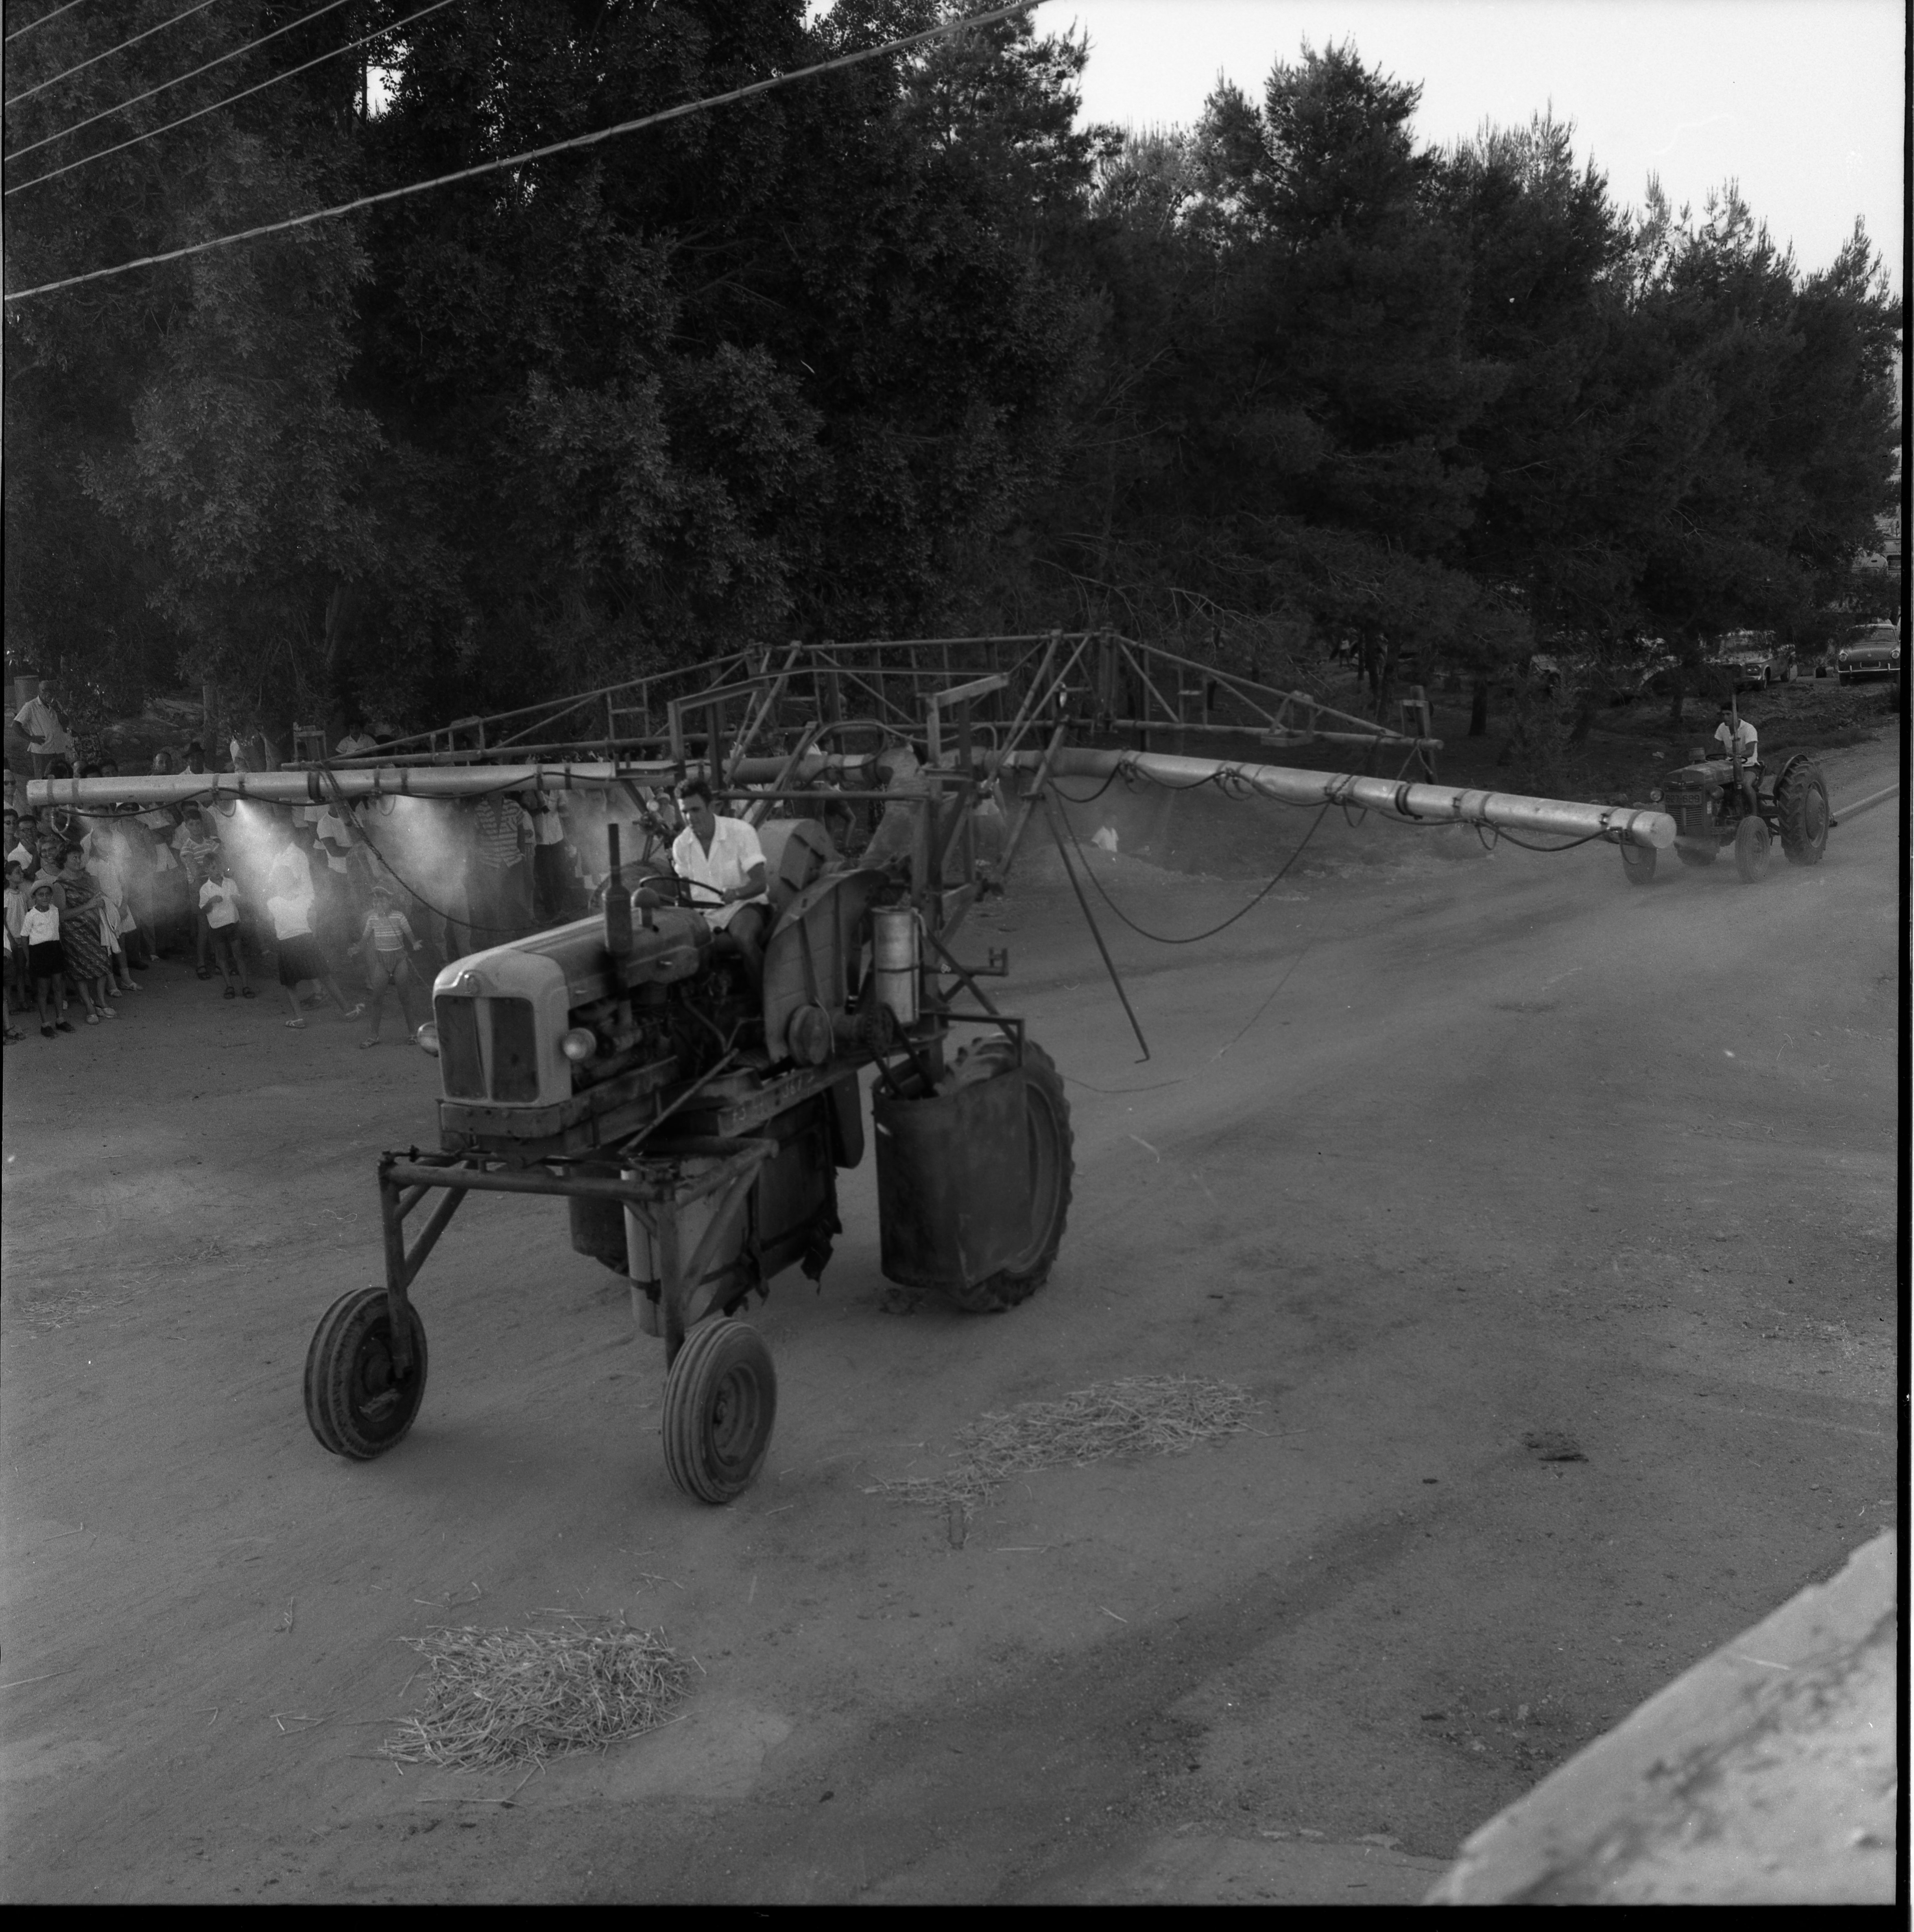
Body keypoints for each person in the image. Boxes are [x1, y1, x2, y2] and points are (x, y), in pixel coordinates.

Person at [668, 776, 770, 994]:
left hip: (744, 905)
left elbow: (760, 884)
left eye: (696, 810)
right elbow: (685, 889)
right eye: (685, 812)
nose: (690, 818)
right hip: (706, 914)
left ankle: (762, 1000)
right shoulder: (681, 845)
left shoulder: (741, 832)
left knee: (744, 938)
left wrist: (737, 893)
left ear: (711, 807)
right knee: (677, 946)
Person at [265, 823, 360, 1028]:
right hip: (302, 934)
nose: (273, 836)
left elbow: (282, 886)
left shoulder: (294, 860)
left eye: (278, 832)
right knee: (322, 974)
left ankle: (302, 1015)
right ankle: (346, 1009)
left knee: (294, 982)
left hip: (291, 937)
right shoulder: (296, 894)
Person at [354, 883, 423, 1046]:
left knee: (404, 997)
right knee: (377, 999)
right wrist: (356, 948)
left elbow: (410, 935)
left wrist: (415, 944)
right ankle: (374, 1036)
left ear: (390, 902)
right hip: (382, 962)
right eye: (376, 902)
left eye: (383, 902)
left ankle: (413, 1033)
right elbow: (364, 940)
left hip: (399, 960)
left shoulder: (399, 917)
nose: (379, 905)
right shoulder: (372, 919)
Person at [57, 843, 115, 1022]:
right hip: (74, 934)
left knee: (102, 965)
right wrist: (88, 906)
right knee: (80, 970)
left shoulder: (91, 878)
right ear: (64, 860)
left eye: (80, 856)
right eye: (74, 857)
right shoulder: (60, 884)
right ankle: (89, 1007)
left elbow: (101, 898)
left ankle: (100, 1001)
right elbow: (62, 915)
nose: (78, 860)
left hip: (96, 929)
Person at [467, 791, 531, 947]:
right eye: (489, 790)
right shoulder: (480, 809)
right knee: (493, 901)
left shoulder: (514, 807)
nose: (492, 793)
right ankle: (497, 939)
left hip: (513, 860)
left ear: (502, 791)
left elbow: (521, 831)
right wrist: (478, 859)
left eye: (496, 789)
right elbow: (475, 835)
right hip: (490, 862)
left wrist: (522, 853)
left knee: (517, 900)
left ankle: (523, 937)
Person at [173, 806, 224, 977]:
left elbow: (218, 864)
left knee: (216, 924)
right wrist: (211, 867)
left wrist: (211, 867)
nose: (196, 828)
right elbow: (196, 872)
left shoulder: (211, 843)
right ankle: (201, 963)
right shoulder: (187, 847)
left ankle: (219, 962)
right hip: (199, 888)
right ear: (187, 826)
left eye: (198, 824)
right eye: (192, 825)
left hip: (212, 885)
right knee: (204, 927)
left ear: (203, 825)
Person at [198, 856, 256, 998]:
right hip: (217, 926)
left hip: (233, 923)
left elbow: (239, 900)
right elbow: (203, 910)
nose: (217, 871)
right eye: (213, 868)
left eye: (219, 867)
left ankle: (246, 986)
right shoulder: (205, 889)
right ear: (207, 870)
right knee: (222, 958)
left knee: (239, 956)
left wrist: (238, 900)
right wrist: (211, 902)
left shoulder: (231, 883)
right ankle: (229, 986)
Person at [23, 880, 72, 1035]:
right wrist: (29, 958)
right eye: (41, 895)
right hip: (39, 953)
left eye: (47, 894)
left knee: (58, 987)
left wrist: (61, 949)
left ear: (51, 896)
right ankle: (45, 1024)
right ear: (35, 897)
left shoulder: (55, 911)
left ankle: (60, 1020)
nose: (45, 897)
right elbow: (24, 937)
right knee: (43, 990)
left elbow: (57, 932)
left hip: (55, 950)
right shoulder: (31, 915)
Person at [14, 679, 75, 777]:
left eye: (51, 690)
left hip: (59, 749)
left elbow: (66, 724)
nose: (48, 693)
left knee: (62, 778)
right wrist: (31, 738)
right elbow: (16, 725)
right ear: (39, 692)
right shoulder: (31, 706)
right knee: (43, 779)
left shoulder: (57, 704)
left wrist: (58, 710)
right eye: (44, 690)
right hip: (42, 751)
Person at [1714, 703, 1761, 812]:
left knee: (1744, 784)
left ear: (1736, 714)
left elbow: (1750, 751)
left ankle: (1755, 814)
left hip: (1749, 766)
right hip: (1729, 766)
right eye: (1723, 715)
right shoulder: (1722, 728)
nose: (1725, 718)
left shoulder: (1749, 729)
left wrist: (1737, 754)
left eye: (1729, 714)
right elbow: (1714, 749)